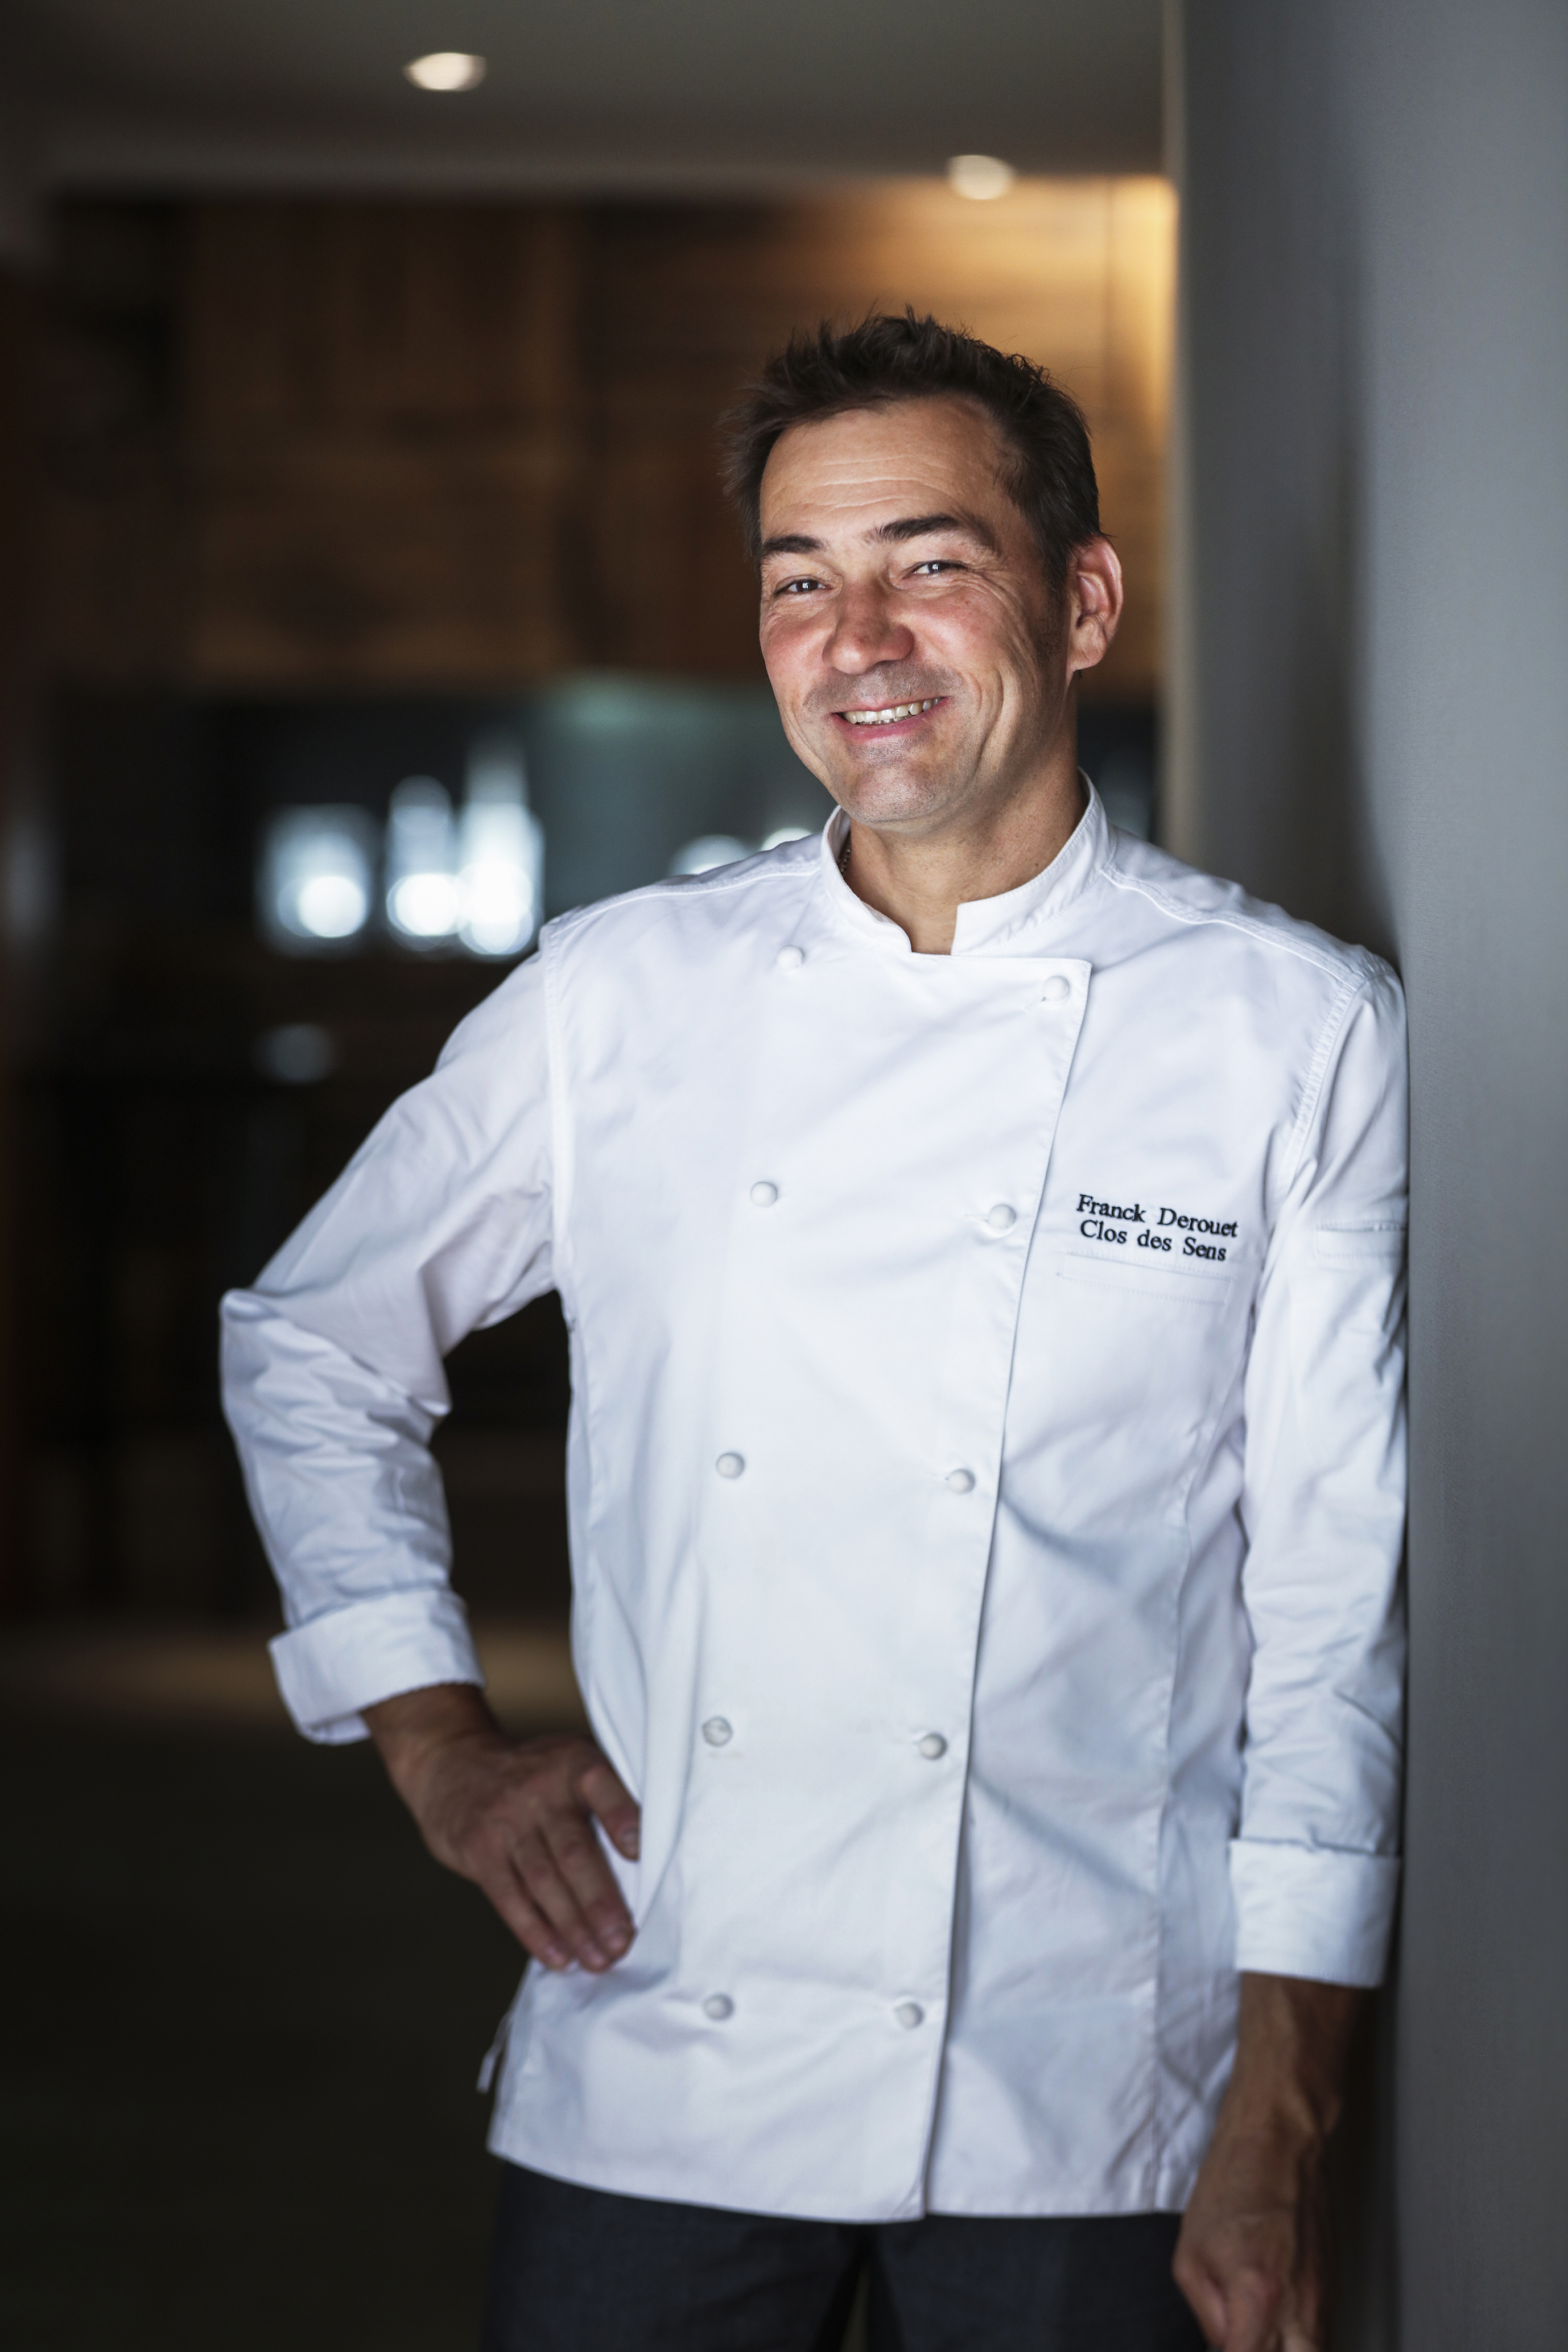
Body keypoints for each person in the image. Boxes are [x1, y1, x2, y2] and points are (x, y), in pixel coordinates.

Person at [221, 313, 1406, 2352]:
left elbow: (1326, 1609)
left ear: (1082, 601)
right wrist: (431, 1743)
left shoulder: (1284, 1030)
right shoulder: (620, 997)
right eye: (798, 581)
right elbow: (315, 1342)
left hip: (1093, 2083)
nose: (856, 639)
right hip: (666, 2040)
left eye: (929, 564)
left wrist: (1280, 2115)